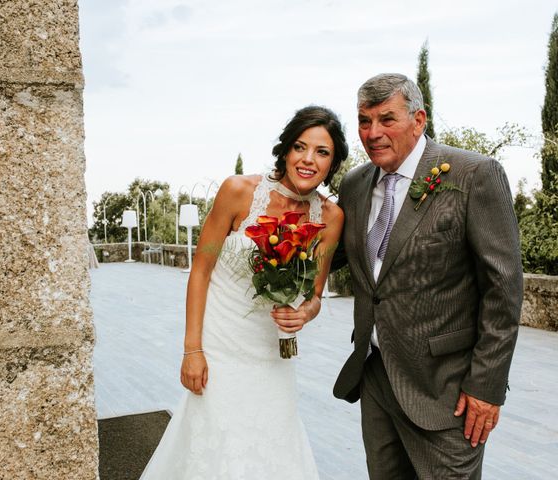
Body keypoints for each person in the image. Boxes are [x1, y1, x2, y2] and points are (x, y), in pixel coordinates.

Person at [331, 73, 523, 479]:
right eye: (364, 121)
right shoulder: (355, 184)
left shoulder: (474, 175)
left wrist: (486, 388)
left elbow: (503, 289)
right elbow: (329, 258)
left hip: (448, 393)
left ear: (419, 120)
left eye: (387, 119)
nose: (373, 133)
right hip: (376, 378)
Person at [140, 106, 347, 479]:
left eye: (322, 152)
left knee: (272, 444)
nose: (308, 160)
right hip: (220, 351)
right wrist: (192, 350)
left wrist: (304, 313)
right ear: (285, 150)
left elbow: (315, 295)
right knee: (216, 449)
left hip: (272, 354)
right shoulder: (237, 192)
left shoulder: (330, 218)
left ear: (332, 164)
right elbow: (200, 271)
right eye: (300, 147)